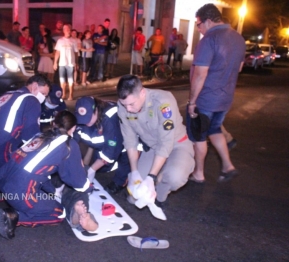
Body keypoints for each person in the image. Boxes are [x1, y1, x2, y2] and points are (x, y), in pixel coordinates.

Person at [0, 111, 97, 239]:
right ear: (73, 128)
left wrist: (53, 191)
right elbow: (77, 180)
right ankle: (14, 217)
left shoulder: (40, 135)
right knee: (59, 214)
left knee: (35, 186)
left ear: (54, 123)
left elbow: (37, 169)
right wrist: (89, 188)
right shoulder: (68, 144)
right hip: (20, 191)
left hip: (1, 178)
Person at [187, 4, 245, 183]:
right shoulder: (238, 38)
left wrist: (192, 102)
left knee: (199, 136)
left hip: (206, 99)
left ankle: (198, 173)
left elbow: (200, 74)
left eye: (199, 24)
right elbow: (240, 67)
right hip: (225, 98)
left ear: (209, 20)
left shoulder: (209, 40)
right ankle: (228, 166)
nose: (199, 28)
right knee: (215, 129)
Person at [116, 75, 195, 208]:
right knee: (134, 197)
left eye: (131, 104)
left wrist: (151, 177)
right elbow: (130, 141)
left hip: (177, 145)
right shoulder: (123, 106)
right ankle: (154, 177)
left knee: (175, 176)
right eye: (125, 104)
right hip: (153, 147)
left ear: (142, 93)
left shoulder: (163, 102)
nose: (128, 109)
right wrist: (134, 172)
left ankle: (161, 193)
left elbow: (166, 143)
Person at [0, 74, 51, 174]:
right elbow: (31, 137)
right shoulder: (32, 100)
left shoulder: (8, 94)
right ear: (35, 86)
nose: (43, 98)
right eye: (43, 93)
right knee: (16, 178)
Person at [73, 96, 131, 194]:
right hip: (106, 139)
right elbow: (74, 138)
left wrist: (92, 169)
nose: (86, 122)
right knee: (102, 168)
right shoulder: (82, 117)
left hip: (124, 140)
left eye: (88, 118)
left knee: (123, 155)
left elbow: (111, 151)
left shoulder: (109, 120)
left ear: (96, 109)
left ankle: (121, 181)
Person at [53, 24, 79, 101]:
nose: (68, 31)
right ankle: (63, 94)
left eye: (69, 29)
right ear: (64, 31)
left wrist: (76, 63)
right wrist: (55, 63)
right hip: (62, 63)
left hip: (70, 63)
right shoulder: (60, 41)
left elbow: (76, 53)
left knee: (70, 80)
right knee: (62, 80)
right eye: (67, 29)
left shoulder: (73, 41)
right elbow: (57, 52)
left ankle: (71, 95)